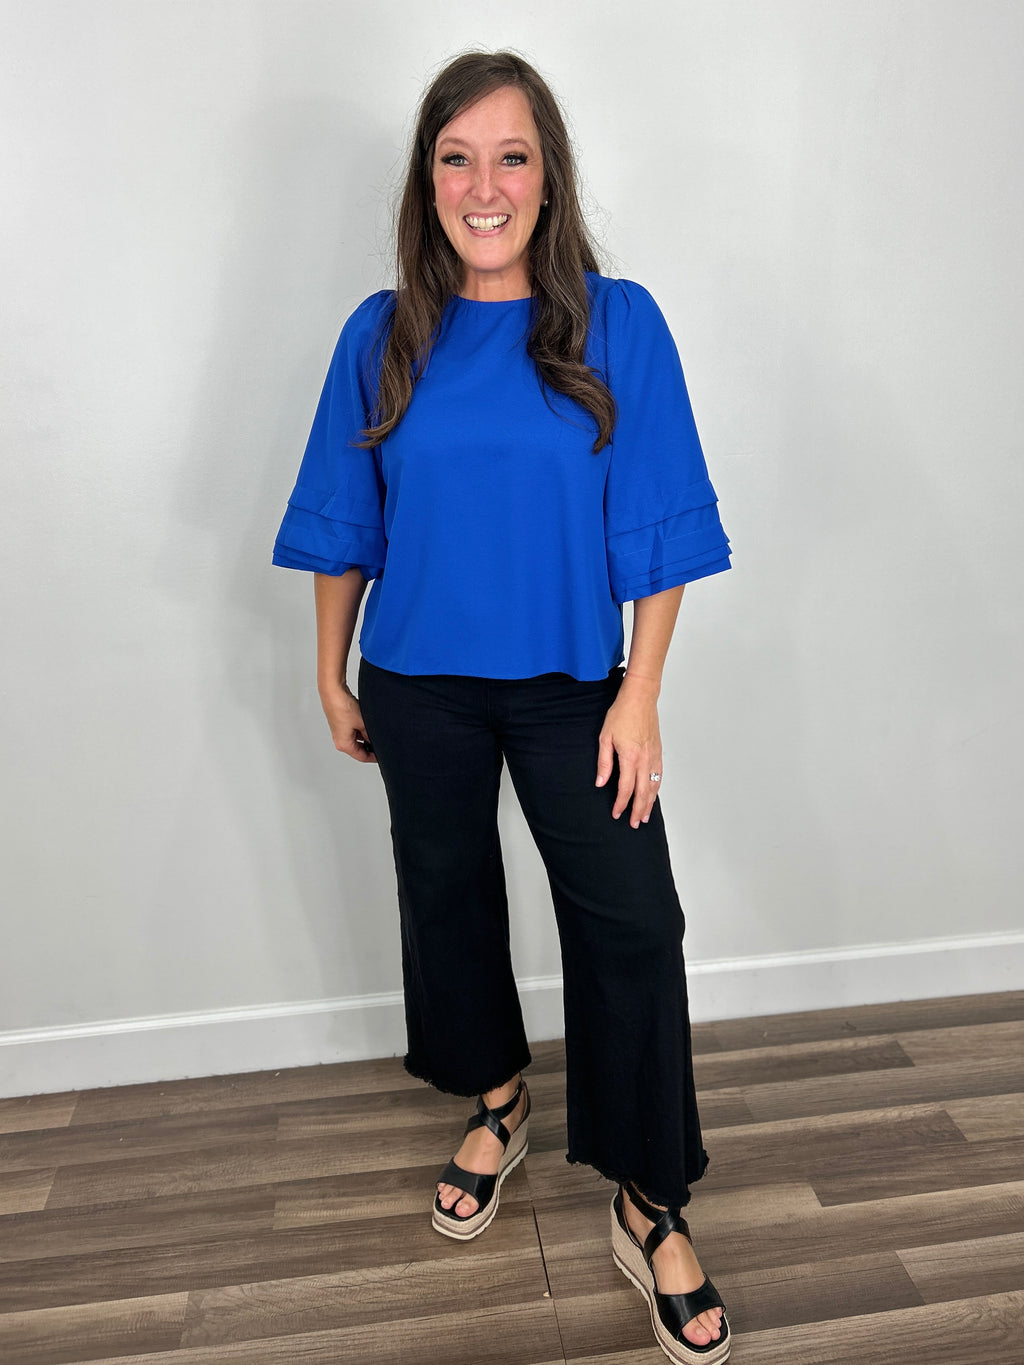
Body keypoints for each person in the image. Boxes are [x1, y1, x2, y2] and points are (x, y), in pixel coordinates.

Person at [273, 50, 732, 1365]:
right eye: (457, 156)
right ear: (428, 179)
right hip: (418, 679)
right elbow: (342, 514)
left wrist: (641, 696)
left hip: (575, 688)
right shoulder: (383, 331)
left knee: (634, 923)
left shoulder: (614, 318)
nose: (485, 183)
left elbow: (660, 522)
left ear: (549, 174)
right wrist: (329, 663)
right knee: (448, 889)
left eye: (511, 155)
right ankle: (499, 1093)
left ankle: (650, 1200)